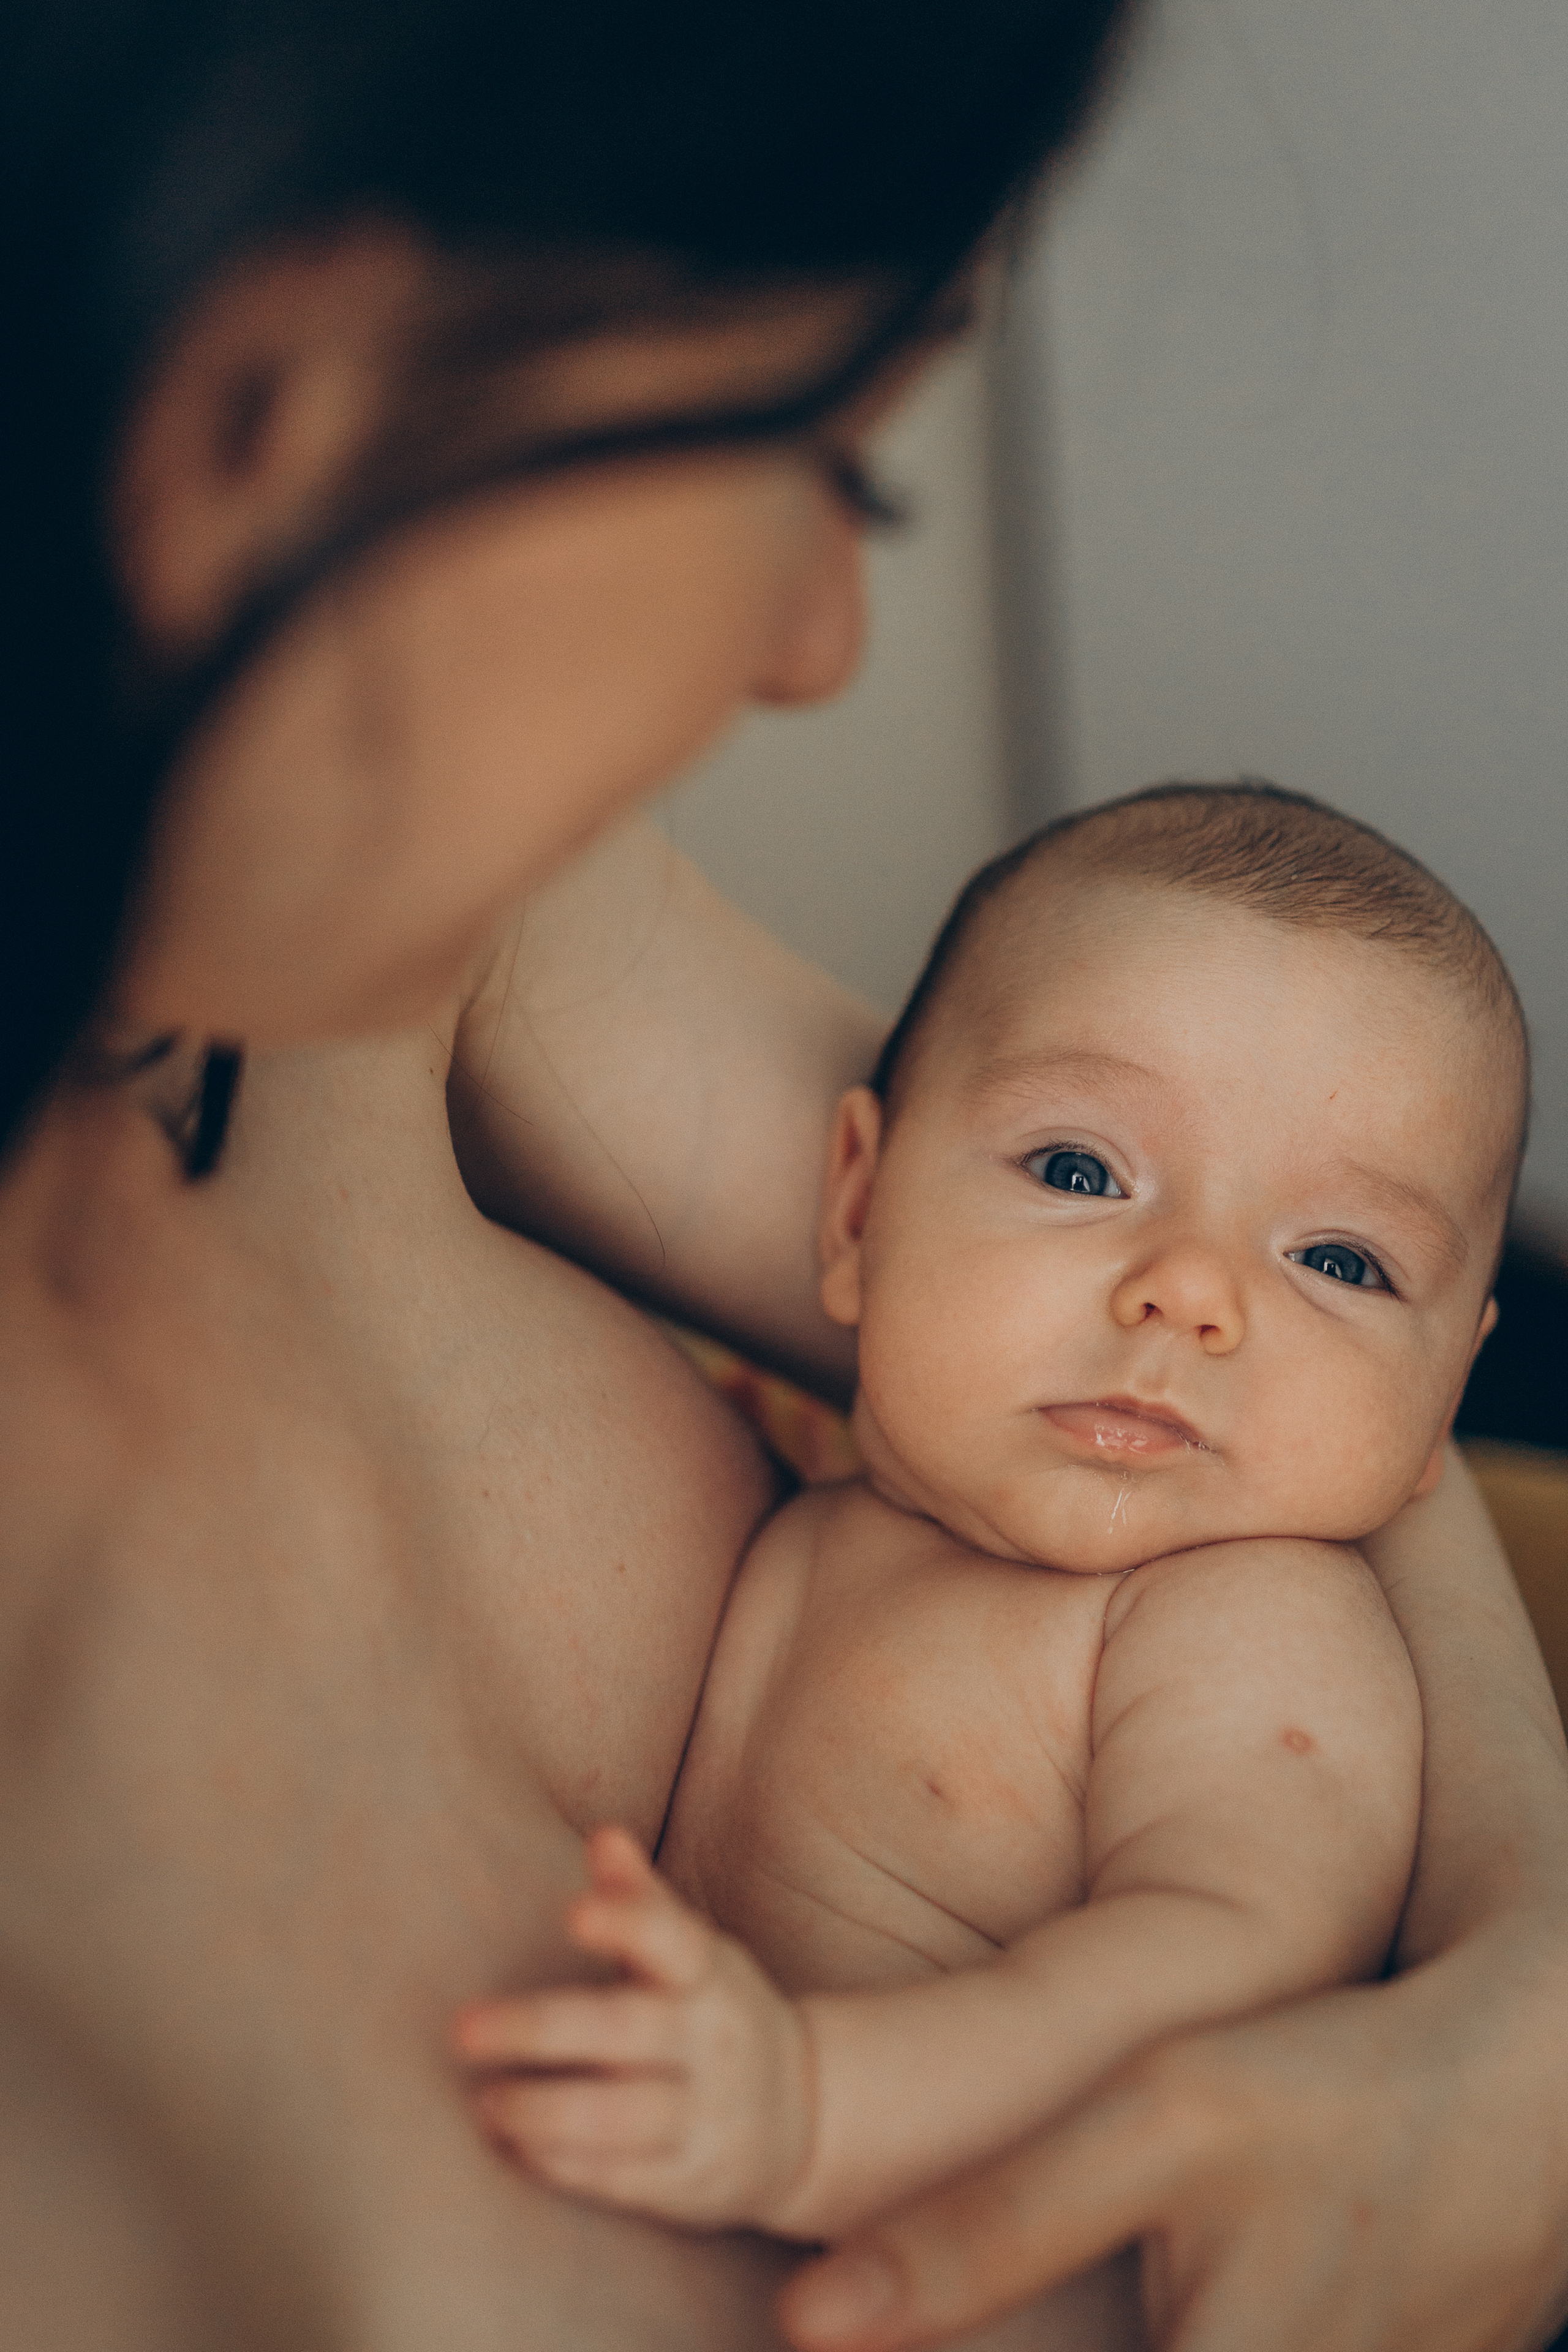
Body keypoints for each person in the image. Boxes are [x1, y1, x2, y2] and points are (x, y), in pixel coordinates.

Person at [1, 4, 1566, 2350]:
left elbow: (1227, 1267)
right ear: (277, 424)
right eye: (831, 462)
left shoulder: (389, 926)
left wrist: (1531, 2017)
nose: (825, 641)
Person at [454, 786, 1517, 2345]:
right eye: (1080, 1171)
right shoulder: (815, 1513)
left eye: (1340, 1262)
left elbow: (1222, 1968)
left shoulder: (1253, 1618)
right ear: (856, 1207)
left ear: (1445, 1403)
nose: (1189, 1295)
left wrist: (811, 2107)